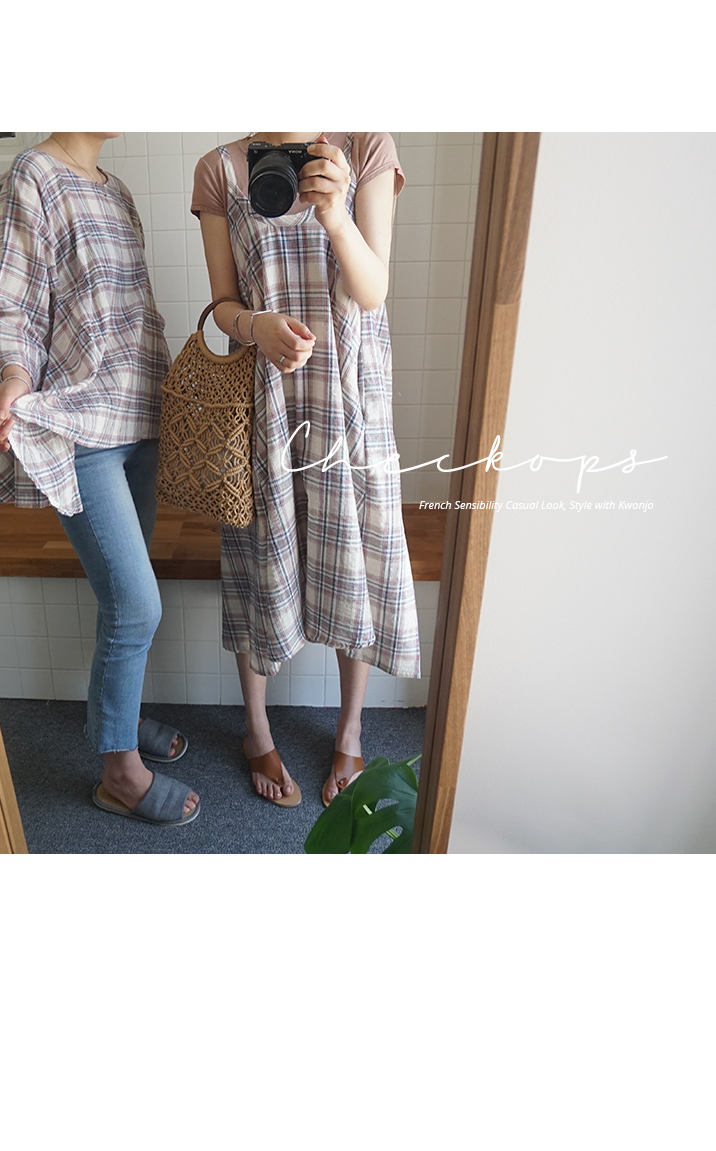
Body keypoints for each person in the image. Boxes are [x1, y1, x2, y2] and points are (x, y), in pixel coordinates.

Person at [0, 132, 200, 827]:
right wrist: (15, 377)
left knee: (121, 599)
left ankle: (118, 720)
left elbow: (133, 310)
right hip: (80, 427)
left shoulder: (115, 189)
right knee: (136, 604)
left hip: (140, 415)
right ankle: (118, 775)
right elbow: (15, 301)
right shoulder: (32, 176)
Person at [191, 132, 421, 808]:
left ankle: (350, 729)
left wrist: (334, 213)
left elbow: (373, 290)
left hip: (349, 403)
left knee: (355, 557)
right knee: (256, 555)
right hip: (263, 403)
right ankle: (256, 730)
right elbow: (223, 305)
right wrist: (254, 326)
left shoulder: (365, 145)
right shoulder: (219, 170)